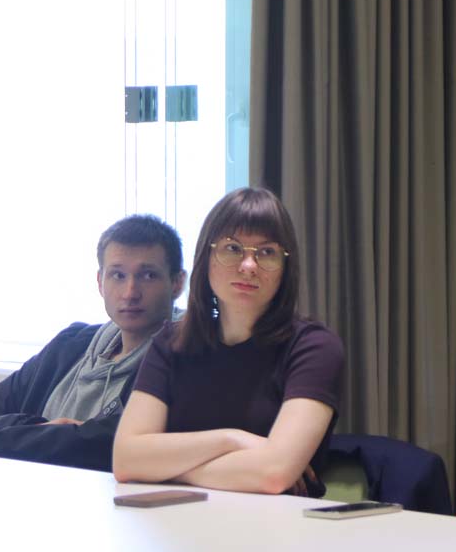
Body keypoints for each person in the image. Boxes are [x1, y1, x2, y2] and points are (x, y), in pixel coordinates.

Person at [112, 187, 344, 497]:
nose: (249, 265)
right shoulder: (171, 342)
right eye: (232, 248)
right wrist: (231, 439)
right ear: (206, 258)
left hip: (277, 523)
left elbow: (273, 475)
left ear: (285, 268)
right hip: (177, 519)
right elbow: (126, 459)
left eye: (267, 252)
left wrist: (163, 470)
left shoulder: (313, 347)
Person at [0, 214, 185, 471]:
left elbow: (109, 444)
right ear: (100, 282)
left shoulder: (182, 357)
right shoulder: (72, 344)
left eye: (148, 275)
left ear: (177, 283)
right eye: (118, 275)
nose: (130, 292)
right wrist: (46, 428)